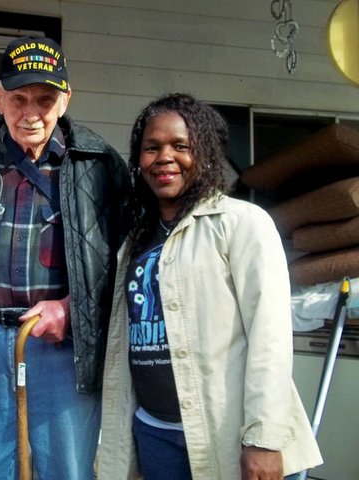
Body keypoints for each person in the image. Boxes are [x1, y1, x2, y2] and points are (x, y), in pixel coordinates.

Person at [97, 93, 322, 479]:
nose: (164, 157)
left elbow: (270, 338)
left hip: (223, 433)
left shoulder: (241, 224)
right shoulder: (135, 237)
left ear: (203, 153)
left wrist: (264, 439)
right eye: (152, 148)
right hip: (152, 429)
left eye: (180, 146)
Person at [0, 36, 131, 479]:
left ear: (65, 100)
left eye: (45, 99)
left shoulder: (99, 164)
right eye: (19, 98)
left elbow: (127, 261)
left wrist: (72, 309)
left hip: (65, 347)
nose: (31, 113)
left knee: (65, 470)